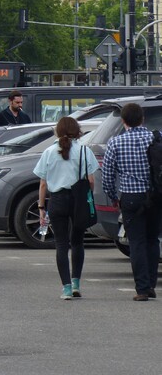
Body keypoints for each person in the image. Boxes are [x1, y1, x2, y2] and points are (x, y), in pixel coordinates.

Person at [33, 116, 99, 300]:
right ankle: (77, 282)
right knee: (77, 241)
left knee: (61, 244)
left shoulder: (48, 152)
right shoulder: (85, 151)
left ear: (58, 131)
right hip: (78, 200)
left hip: (57, 199)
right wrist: (87, 195)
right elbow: (91, 180)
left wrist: (41, 207)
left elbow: (43, 184)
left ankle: (67, 288)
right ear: (77, 131)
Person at [102, 103, 161, 301]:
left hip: (130, 198)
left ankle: (142, 288)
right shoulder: (156, 138)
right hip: (154, 196)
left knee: (136, 242)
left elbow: (108, 176)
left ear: (123, 121)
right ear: (142, 119)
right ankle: (151, 284)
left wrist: (113, 197)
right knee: (153, 240)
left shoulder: (115, 143)